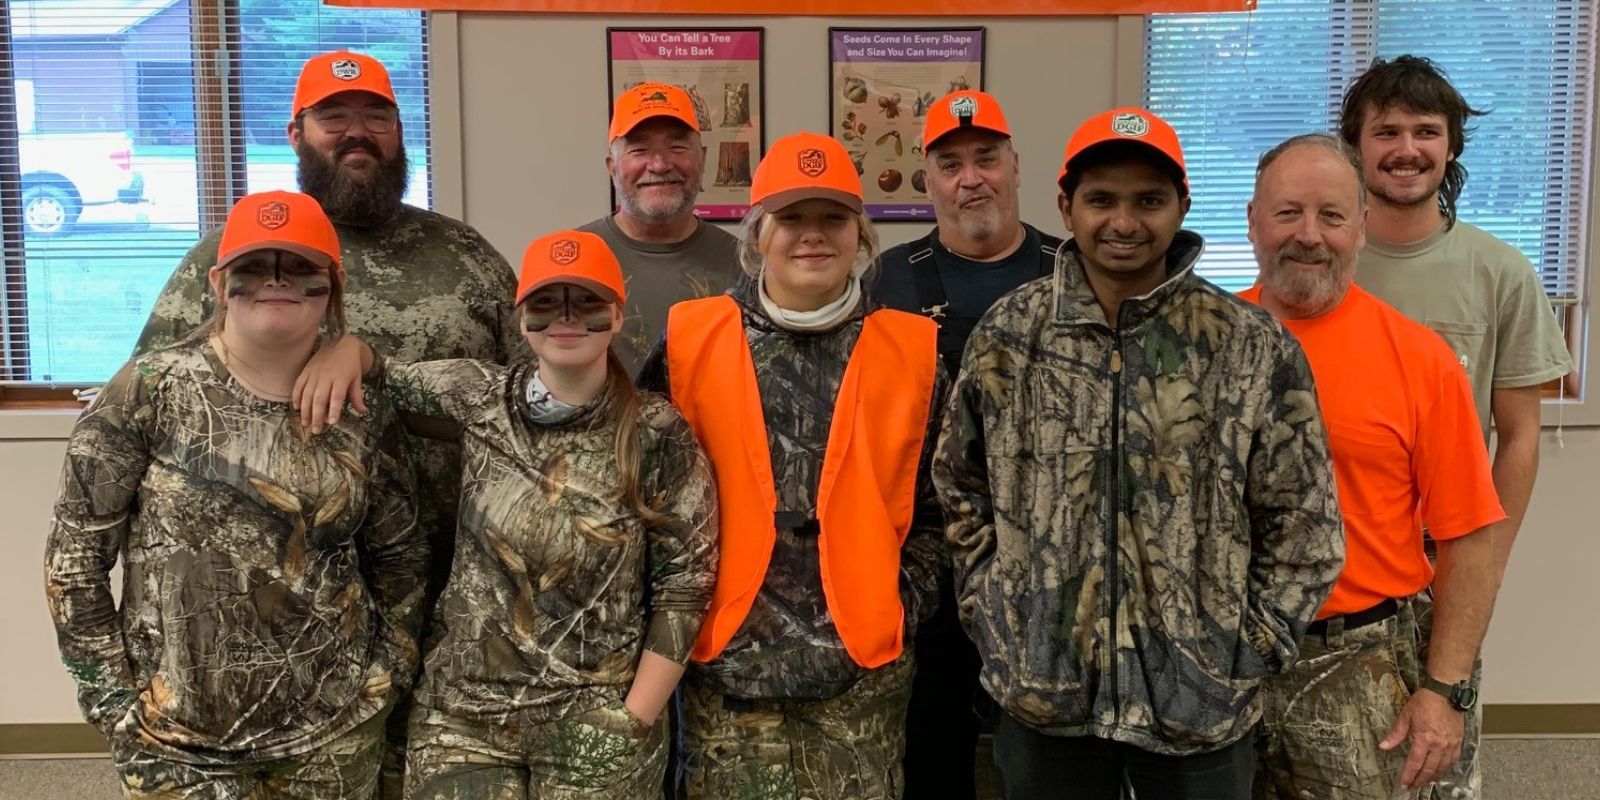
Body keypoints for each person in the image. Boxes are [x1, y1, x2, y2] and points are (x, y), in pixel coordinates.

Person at [132, 50, 529, 796]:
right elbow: (162, 409)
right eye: (334, 117)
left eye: (376, 116)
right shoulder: (234, 259)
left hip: (453, 584)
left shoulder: (465, 257)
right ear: (296, 132)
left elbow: (526, 401)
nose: (357, 133)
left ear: (399, 131)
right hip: (291, 602)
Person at [933, 108, 1344, 800]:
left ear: (1182, 205)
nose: (1123, 222)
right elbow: (959, 487)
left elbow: (1304, 519)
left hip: (1200, 708)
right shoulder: (1011, 335)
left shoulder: (1249, 345)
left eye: (1148, 201)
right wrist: (1000, 617)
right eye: (1102, 200)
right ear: (1066, 205)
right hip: (1045, 698)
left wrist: (1247, 648)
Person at [293, 229, 719, 798]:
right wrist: (348, 348)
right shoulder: (479, 394)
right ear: (522, 321)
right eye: (545, 303)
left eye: (586, 301)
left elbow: (686, 584)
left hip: (595, 716)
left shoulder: (656, 431)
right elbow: (382, 373)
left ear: (617, 316)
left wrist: (633, 718)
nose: (565, 318)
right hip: (463, 716)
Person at [45, 190, 427, 799]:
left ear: (335, 283)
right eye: (255, 265)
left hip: (332, 734)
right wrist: (113, 704)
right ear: (219, 282)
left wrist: (384, 678)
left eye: (300, 265)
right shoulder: (151, 389)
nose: (277, 279)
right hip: (176, 739)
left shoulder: (362, 406)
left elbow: (402, 555)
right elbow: (75, 563)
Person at [638, 131, 947, 800]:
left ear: (862, 237)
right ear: (756, 239)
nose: (814, 236)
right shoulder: (690, 341)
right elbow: (645, 497)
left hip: (861, 677)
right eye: (791, 219)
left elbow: (942, 509)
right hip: (724, 670)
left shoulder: (915, 352)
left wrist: (902, 603)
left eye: (833, 218)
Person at [1241, 133, 1507, 799]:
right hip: (1221, 664)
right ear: (1251, 222)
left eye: (1331, 216)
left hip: (1359, 661)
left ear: (1361, 227)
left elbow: (1469, 537)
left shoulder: (1418, 359)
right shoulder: (1202, 346)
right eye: (1287, 213)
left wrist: (1444, 690)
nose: (1309, 235)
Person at [1339, 55, 1573, 799]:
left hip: (1445, 548)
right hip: (1335, 545)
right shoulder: (1322, 261)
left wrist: (1490, 556)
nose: (1406, 148)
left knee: (1439, 736)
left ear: (1450, 146)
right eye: (1387, 131)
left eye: (1425, 131)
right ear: (1356, 146)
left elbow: (1520, 433)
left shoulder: (1500, 272)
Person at [871, 89, 1062, 800]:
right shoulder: (887, 279)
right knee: (931, 748)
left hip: (1045, 563)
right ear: (927, 180)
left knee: (1042, 757)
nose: (970, 178)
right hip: (931, 563)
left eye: (986, 159)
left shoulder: (1069, 270)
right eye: (950, 164)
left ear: (1016, 166)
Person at [580, 81, 745, 377]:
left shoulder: (745, 265)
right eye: (640, 149)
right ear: (612, 167)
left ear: (703, 159)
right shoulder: (573, 259)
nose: (659, 164)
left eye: (677, 147)